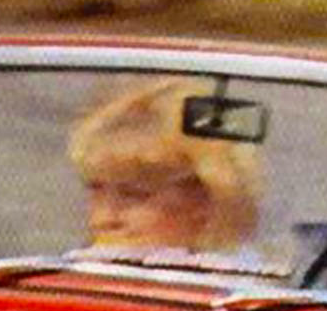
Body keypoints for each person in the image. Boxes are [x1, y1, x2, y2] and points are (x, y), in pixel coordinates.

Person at [65, 77, 263, 254]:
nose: (102, 219)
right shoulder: (68, 274)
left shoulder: (240, 280)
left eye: (133, 194)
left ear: (204, 201)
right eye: (96, 192)